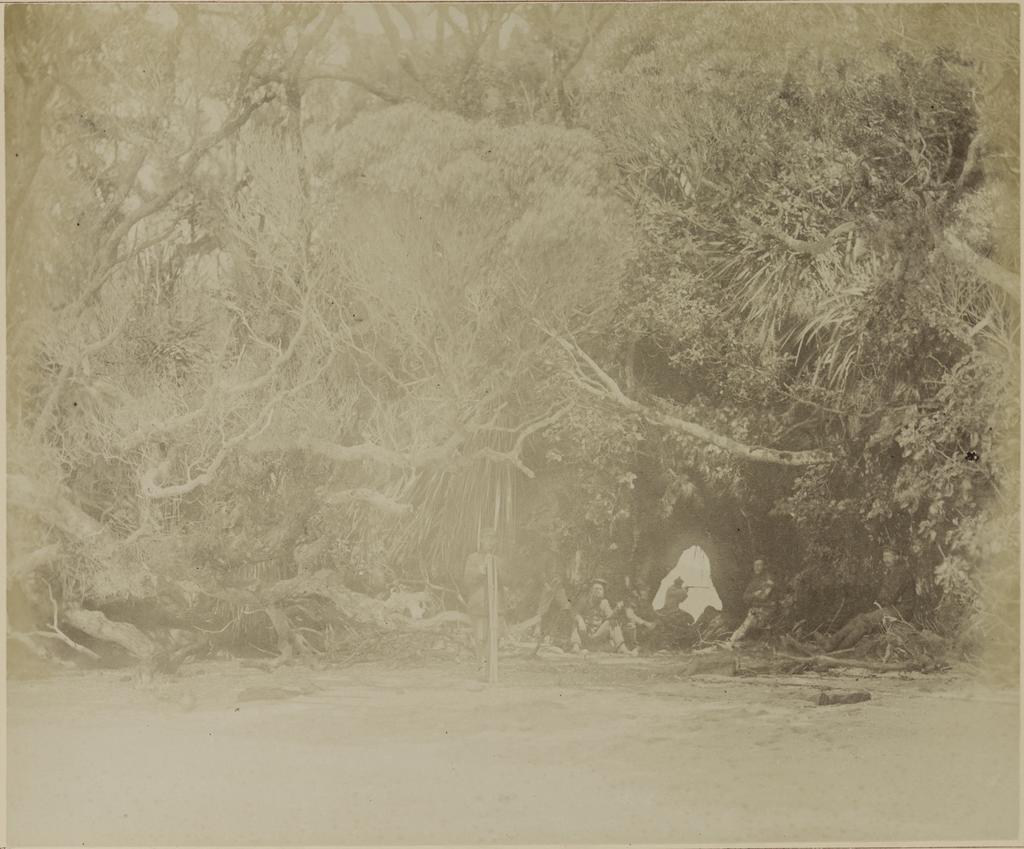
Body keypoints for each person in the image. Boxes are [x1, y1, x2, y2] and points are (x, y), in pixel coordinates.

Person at [824, 546, 920, 652]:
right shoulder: (893, 571)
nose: (885, 559)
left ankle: (839, 649)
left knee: (864, 622)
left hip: (901, 610)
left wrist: (877, 602)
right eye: (884, 556)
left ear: (897, 557)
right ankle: (831, 643)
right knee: (860, 618)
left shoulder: (901, 572)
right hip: (894, 608)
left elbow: (889, 597)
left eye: (889, 556)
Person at [463, 528, 504, 673]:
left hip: (495, 605)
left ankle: (490, 668)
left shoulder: (499, 560)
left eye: (493, 540)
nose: (490, 543)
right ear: (481, 541)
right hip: (479, 604)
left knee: (495, 637)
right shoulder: (473, 558)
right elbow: (467, 581)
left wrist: (497, 573)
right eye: (487, 539)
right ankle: (481, 665)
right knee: (480, 637)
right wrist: (479, 572)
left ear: (497, 542)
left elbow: (507, 581)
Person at [571, 578, 634, 655]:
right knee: (576, 621)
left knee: (612, 622)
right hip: (585, 634)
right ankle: (575, 646)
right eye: (596, 589)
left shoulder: (604, 603)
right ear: (591, 591)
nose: (598, 591)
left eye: (600, 589)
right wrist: (580, 620)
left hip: (597, 634)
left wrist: (617, 609)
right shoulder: (584, 601)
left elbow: (610, 617)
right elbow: (574, 612)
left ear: (603, 592)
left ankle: (622, 648)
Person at [727, 557, 776, 645]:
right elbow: (745, 597)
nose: (757, 567)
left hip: (767, 610)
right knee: (746, 625)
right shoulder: (754, 581)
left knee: (748, 625)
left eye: (759, 565)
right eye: (755, 565)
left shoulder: (769, 580)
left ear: (764, 566)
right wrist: (754, 594)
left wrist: (755, 595)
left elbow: (764, 596)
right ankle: (732, 641)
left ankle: (732, 641)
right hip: (756, 609)